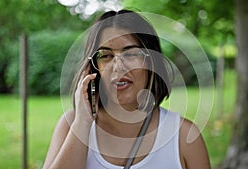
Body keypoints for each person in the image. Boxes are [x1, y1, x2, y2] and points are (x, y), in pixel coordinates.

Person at [43, 9, 211, 169]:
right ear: (93, 68)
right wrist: (83, 123)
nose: (118, 66)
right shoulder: (70, 125)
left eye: (130, 54)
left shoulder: (184, 136)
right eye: (106, 56)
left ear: (152, 62)